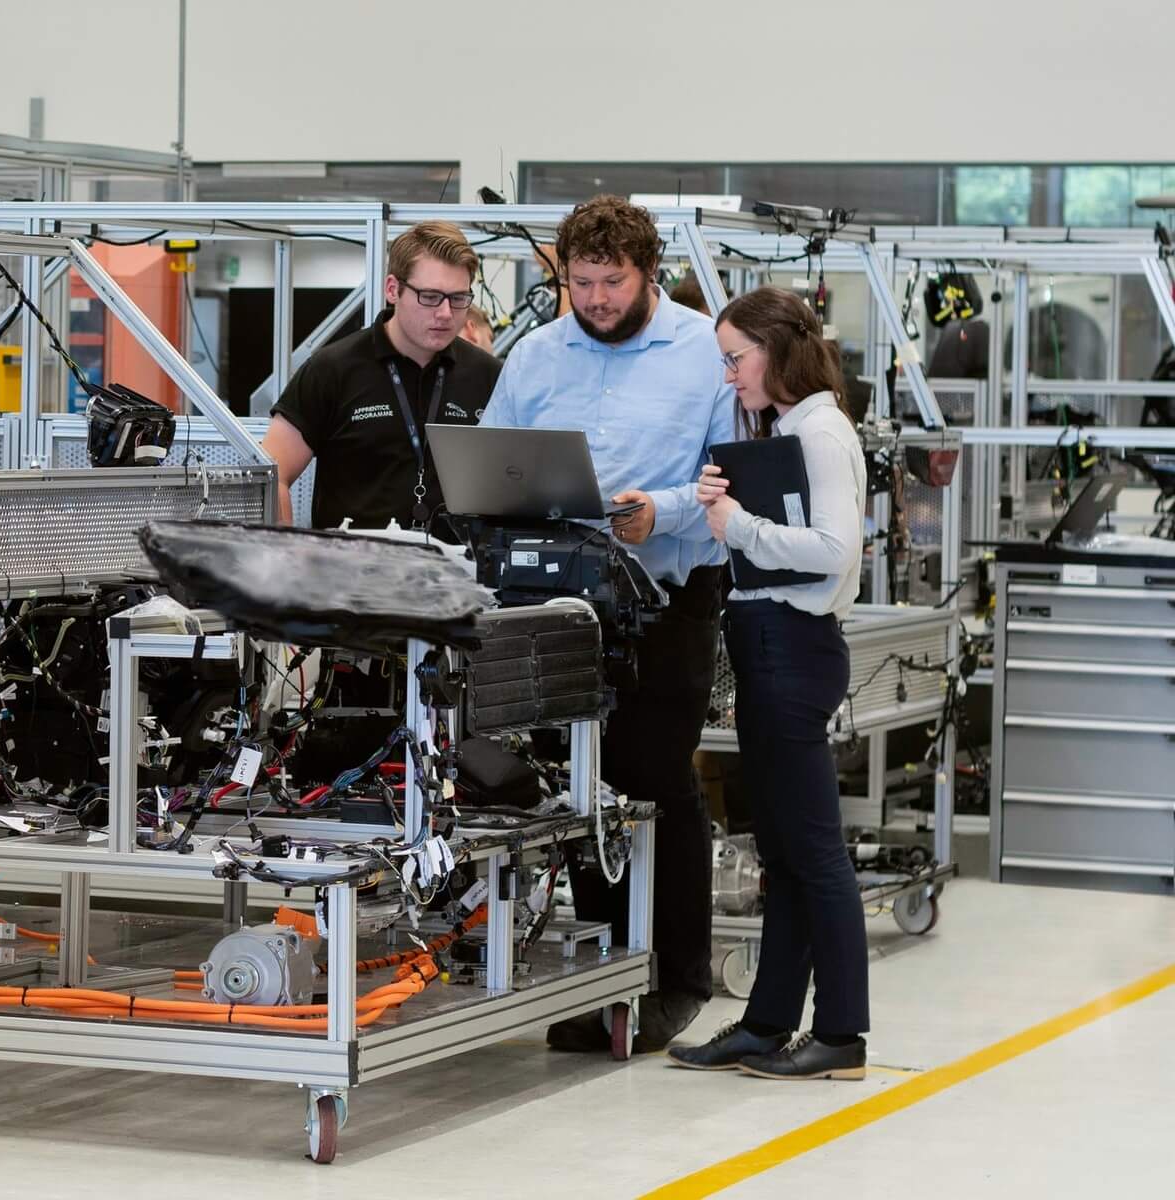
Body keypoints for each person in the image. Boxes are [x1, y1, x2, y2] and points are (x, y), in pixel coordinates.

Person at [478, 195, 735, 1053]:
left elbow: (730, 479)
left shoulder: (705, 352)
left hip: (669, 599)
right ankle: (605, 974)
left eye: (611, 282)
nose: (594, 298)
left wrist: (656, 513)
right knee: (582, 791)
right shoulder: (538, 355)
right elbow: (491, 457)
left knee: (652, 777)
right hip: (561, 607)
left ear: (647, 272)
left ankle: (676, 978)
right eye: (581, 282)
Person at [670, 287, 870, 1080]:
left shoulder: (820, 431)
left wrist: (738, 528)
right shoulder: (787, 430)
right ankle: (767, 1022)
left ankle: (843, 1035)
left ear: (777, 348)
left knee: (815, 853)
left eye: (735, 358)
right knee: (786, 852)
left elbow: (834, 551)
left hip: (793, 645)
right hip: (767, 641)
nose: (729, 377)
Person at [263, 221, 502, 530]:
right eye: (430, 297)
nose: (445, 313)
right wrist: (285, 554)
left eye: (458, 299)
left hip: (459, 569)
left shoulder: (488, 376)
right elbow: (273, 471)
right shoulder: (333, 369)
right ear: (393, 289)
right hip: (353, 569)